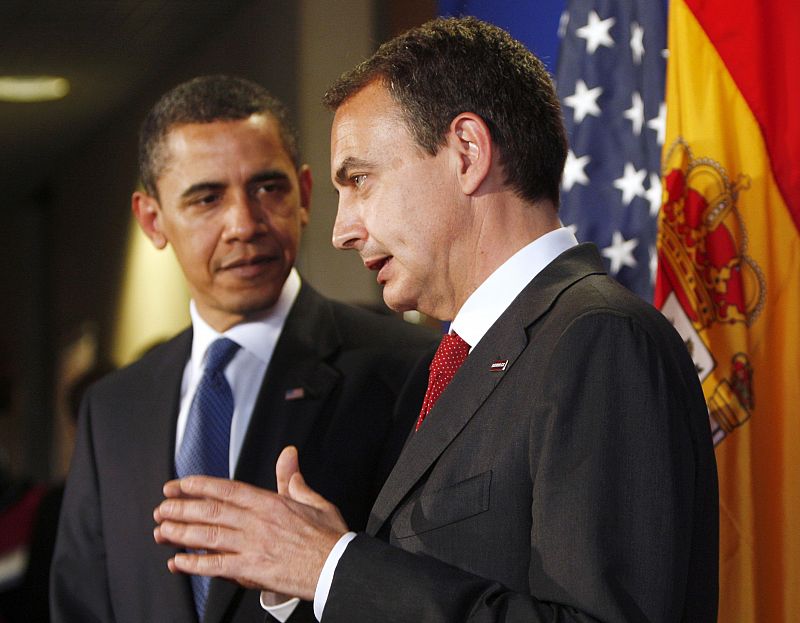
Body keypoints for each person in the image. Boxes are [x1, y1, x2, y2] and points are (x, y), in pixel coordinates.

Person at [153, 19, 719, 622]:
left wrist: (335, 568)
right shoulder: (458, 359)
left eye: (360, 180)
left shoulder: (600, 340)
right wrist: (318, 576)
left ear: (467, 153)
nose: (342, 230)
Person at [50, 75, 436, 623]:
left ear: (304, 195)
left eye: (268, 188)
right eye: (207, 198)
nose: (244, 224)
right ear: (153, 220)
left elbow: (434, 591)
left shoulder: (407, 368)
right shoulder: (113, 408)